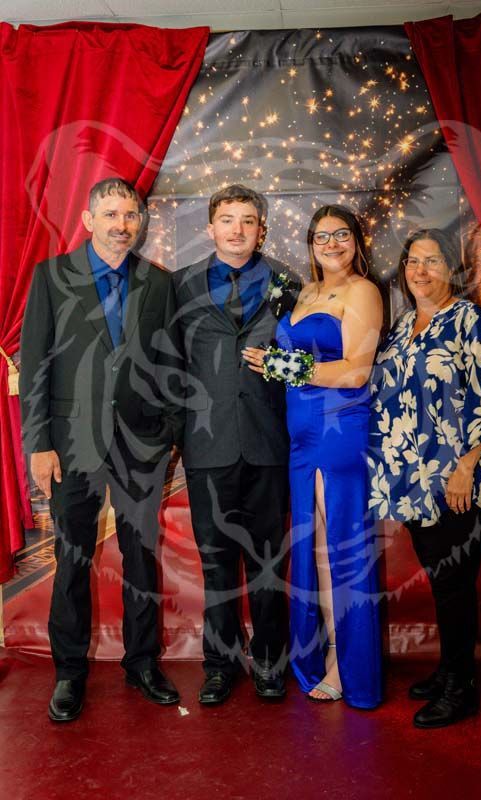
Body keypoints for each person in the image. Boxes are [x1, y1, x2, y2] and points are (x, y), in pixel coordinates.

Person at [20, 178, 182, 722]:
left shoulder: (157, 284)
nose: (121, 224)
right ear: (88, 220)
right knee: (72, 560)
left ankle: (142, 663)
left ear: (139, 222)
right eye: (110, 213)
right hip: (70, 446)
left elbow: (171, 365)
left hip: (142, 446)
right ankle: (69, 673)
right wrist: (38, 445)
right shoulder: (51, 277)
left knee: (141, 557)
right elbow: (36, 362)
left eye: (130, 215)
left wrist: (169, 435)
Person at [244, 205, 384, 707]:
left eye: (341, 234)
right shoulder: (302, 292)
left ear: (356, 240)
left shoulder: (363, 291)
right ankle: (332, 655)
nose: (331, 243)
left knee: (340, 551)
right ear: (310, 243)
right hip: (300, 436)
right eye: (321, 236)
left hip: (337, 430)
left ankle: (351, 669)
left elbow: (355, 372)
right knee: (319, 554)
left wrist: (285, 365)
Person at [368, 228, 481, 728]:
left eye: (431, 262)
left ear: (453, 268)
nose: (420, 272)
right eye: (412, 262)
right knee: (442, 578)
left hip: (458, 478)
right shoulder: (405, 325)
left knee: (454, 583)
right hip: (416, 478)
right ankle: (449, 670)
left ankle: (461, 689)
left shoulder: (473, 322)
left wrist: (466, 468)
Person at [173, 184, 302, 705]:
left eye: (248, 220)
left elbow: (308, 355)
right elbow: (170, 364)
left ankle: (271, 659)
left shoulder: (288, 283)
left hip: (270, 440)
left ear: (261, 228)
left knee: (270, 561)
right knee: (216, 562)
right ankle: (221, 664)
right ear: (211, 227)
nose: (237, 230)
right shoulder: (181, 285)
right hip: (207, 445)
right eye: (227, 219)